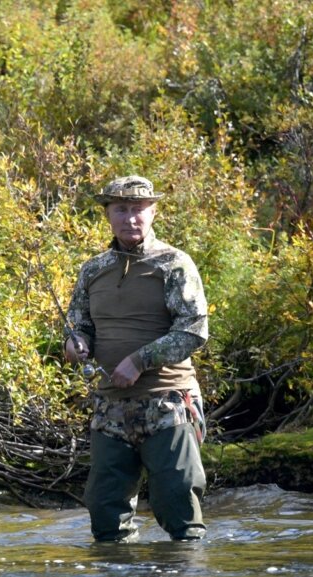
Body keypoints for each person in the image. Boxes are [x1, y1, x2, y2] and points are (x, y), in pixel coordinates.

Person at [64, 175, 209, 542]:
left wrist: (140, 361)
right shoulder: (92, 270)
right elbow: (80, 327)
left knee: (179, 506)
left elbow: (193, 330)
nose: (130, 218)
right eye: (121, 209)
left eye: (138, 209)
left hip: (169, 403)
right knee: (105, 514)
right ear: (108, 215)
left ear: (153, 212)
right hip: (110, 408)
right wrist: (75, 344)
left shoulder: (174, 264)